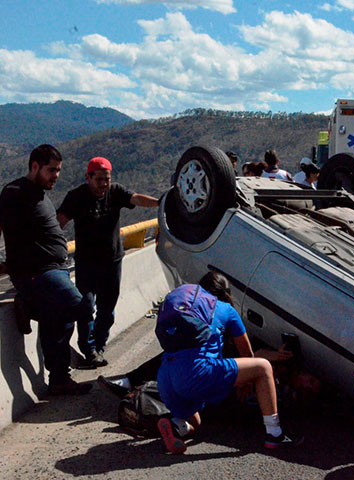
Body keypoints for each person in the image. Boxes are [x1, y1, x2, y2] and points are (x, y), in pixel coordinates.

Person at [156, 271, 303, 453]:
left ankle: (174, 426)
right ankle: (275, 434)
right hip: (195, 374)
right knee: (263, 367)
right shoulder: (227, 310)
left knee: (195, 423)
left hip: (166, 379)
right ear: (226, 293)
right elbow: (247, 354)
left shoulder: (187, 309)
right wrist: (246, 381)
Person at [0, 145, 93, 395]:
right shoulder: (15, 192)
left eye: (58, 170)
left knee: (60, 318)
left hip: (55, 270)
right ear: (35, 167)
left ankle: (59, 379)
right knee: (81, 307)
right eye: (51, 170)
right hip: (36, 272)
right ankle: (29, 304)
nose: (56, 176)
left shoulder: (40, 194)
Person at [57, 157, 159, 368]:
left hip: (112, 262)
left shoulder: (115, 192)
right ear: (88, 177)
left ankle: (99, 347)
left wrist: (160, 203)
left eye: (107, 179)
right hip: (86, 263)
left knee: (107, 309)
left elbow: (136, 199)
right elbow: (59, 222)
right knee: (85, 306)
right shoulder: (76, 196)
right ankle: (89, 349)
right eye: (99, 179)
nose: (104, 184)